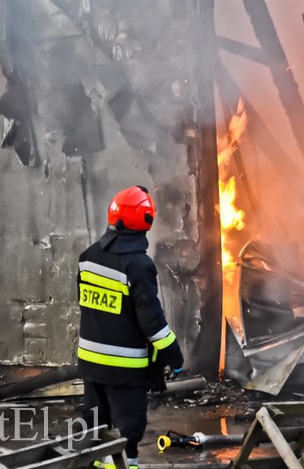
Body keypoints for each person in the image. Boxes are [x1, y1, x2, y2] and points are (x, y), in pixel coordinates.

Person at [76, 185, 184, 468]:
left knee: (96, 423)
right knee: (127, 429)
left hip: (90, 363)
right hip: (123, 369)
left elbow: (89, 306)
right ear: (145, 221)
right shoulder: (138, 265)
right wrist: (173, 354)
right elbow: (152, 322)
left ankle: (97, 464)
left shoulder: (87, 257)